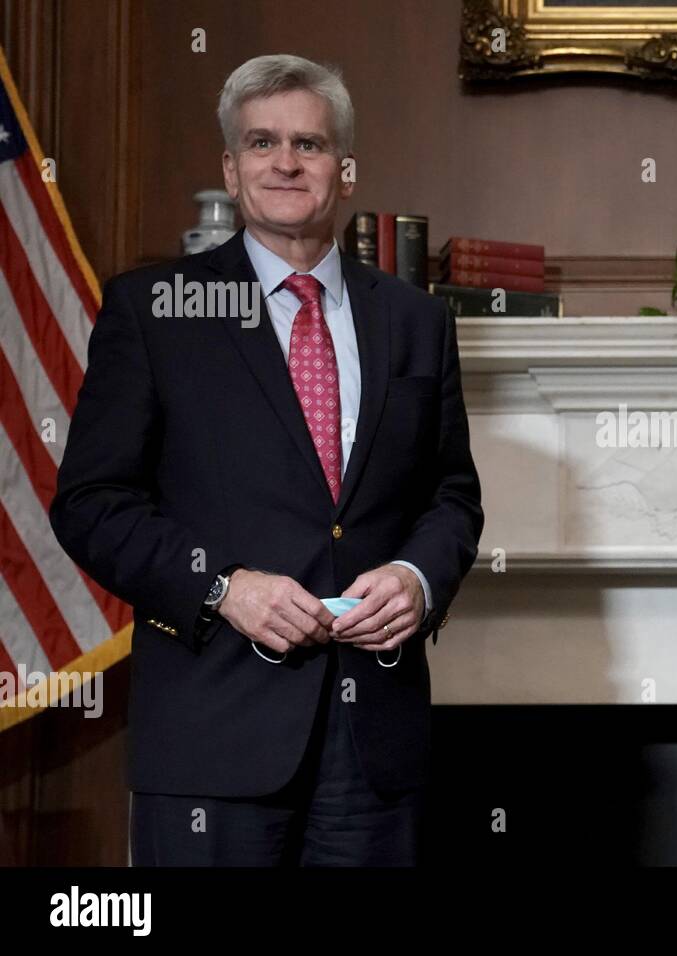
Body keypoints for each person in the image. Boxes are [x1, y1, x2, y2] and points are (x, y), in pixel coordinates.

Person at [49, 54, 483, 865]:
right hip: (214, 741)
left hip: (374, 743)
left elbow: (451, 498)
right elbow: (91, 502)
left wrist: (419, 579)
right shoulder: (155, 309)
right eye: (262, 142)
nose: (286, 162)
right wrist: (224, 587)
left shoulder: (417, 321)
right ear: (231, 166)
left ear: (345, 171)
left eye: (310, 145)